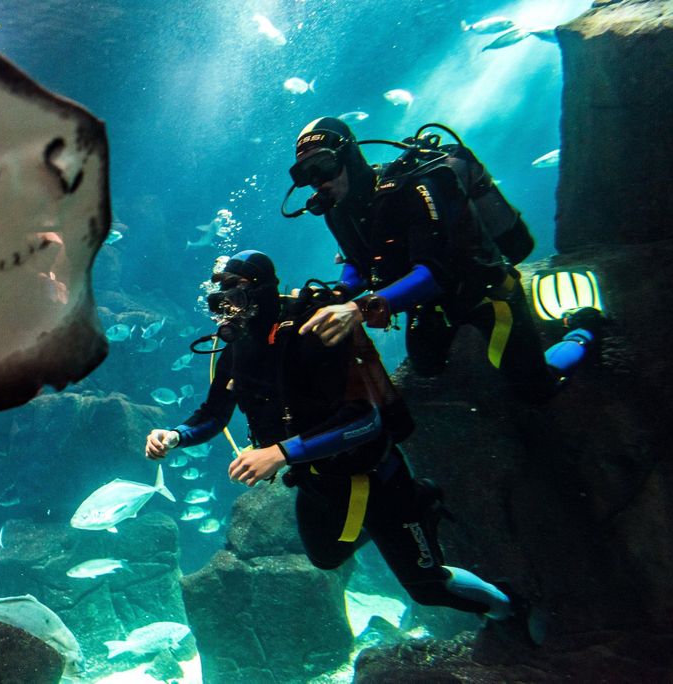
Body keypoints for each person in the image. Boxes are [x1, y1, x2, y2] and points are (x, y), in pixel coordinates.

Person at [145, 249, 538, 637]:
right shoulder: (236, 348)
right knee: (325, 557)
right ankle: (403, 524)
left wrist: (280, 453)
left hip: (374, 478)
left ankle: (507, 606)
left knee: (428, 589)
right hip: (317, 482)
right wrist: (176, 435)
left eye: (234, 290)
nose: (225, 304)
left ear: (262, 288)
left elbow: (366, 421)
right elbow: (214, 413)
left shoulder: (311, 332)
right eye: (220, 295)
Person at [283, 116, 605, 403]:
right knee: (426, 367)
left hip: (482, 291)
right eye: (305, 173)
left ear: (349, 156)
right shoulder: (338, 212)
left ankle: (584, 329)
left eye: (323, 165)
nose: (317, 180)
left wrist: (357, 309)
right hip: (432, 304)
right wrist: (340, 292)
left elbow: (433, 274)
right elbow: (358, 259)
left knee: (537, 389)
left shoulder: (410, 191)